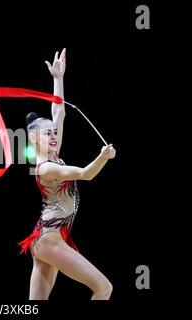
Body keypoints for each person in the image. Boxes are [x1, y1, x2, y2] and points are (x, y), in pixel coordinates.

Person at [18, 48, 116, 300]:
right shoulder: (47, 168)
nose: (53, 136)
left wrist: (58, 78)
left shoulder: (53, 155)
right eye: (47, 133)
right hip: (49, 238)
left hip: (46, 236)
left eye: (54, 133)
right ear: (33, 138)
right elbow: (86, 173)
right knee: (104, 288)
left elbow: (58, 113)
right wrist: (103, 157)